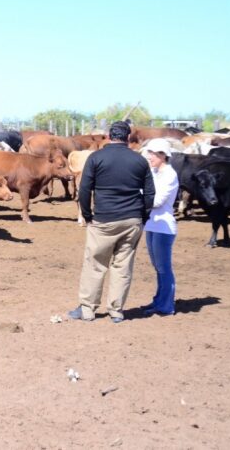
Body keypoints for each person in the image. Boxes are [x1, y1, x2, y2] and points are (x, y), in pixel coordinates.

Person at [67, 121, 155, 323]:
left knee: (95, 264)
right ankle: (116, 310)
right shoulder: (139, 160)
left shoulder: (96, 158)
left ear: (108, 135)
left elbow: (84, 190)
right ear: (128, 137)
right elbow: (150, 192)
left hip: (104, 219)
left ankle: (88, 309)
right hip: (132, 219)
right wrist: (143, 216)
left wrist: (87, 215)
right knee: (122, 266)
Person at [141, 138, 179, 316]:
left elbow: (157, 201)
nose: (149, 157)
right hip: (153, 224)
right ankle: (160, 301)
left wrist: (137, 198)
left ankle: (166, 305)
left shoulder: (169, 175)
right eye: (149, 153)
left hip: (163, 228)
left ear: (163, 155)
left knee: (163, 268)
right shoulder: (155, 172)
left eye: (153, 154)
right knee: (159, 267)